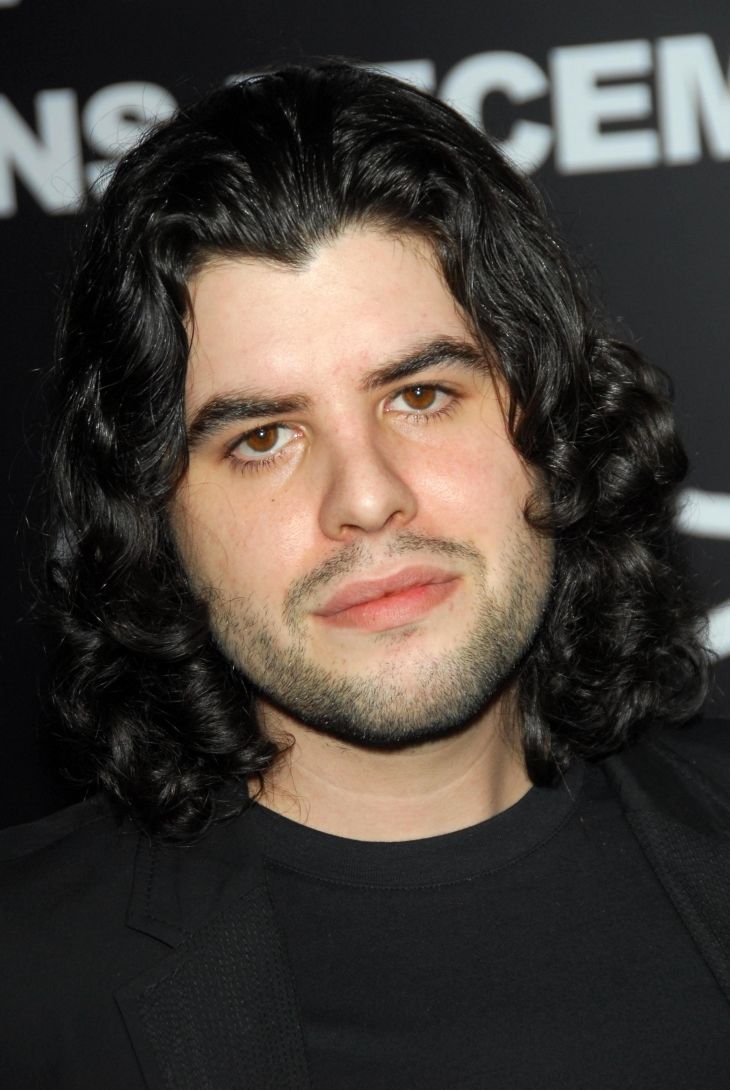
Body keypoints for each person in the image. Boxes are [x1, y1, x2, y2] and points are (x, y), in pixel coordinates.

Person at [1, 60, 728, 1089]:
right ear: (151, 519)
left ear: (550, 417)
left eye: (422, 395)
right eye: (261, 437)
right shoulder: (27, 993)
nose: (367, 496)